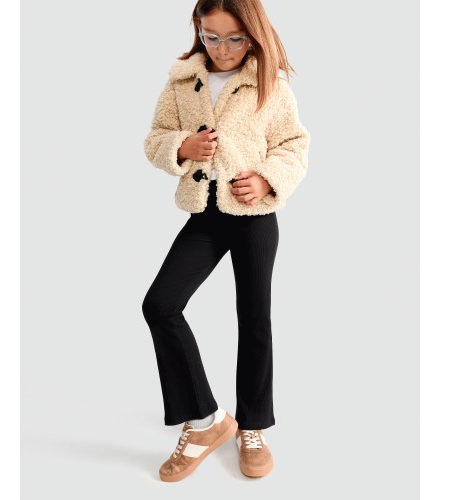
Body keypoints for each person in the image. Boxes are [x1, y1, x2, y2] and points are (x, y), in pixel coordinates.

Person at [142, 0, 310, 482]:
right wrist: (181, 146)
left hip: (254, 215)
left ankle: (252, 427)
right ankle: (207, 421)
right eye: (211, 36)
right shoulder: (182, 81)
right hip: (206, 213)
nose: (222, 48)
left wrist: (266, 178)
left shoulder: (268, 83)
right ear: (198, 30)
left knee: (254, 319)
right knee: (160, 305)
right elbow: (155, 137)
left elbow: (294, 144)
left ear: (252, 34)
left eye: (235, 38)